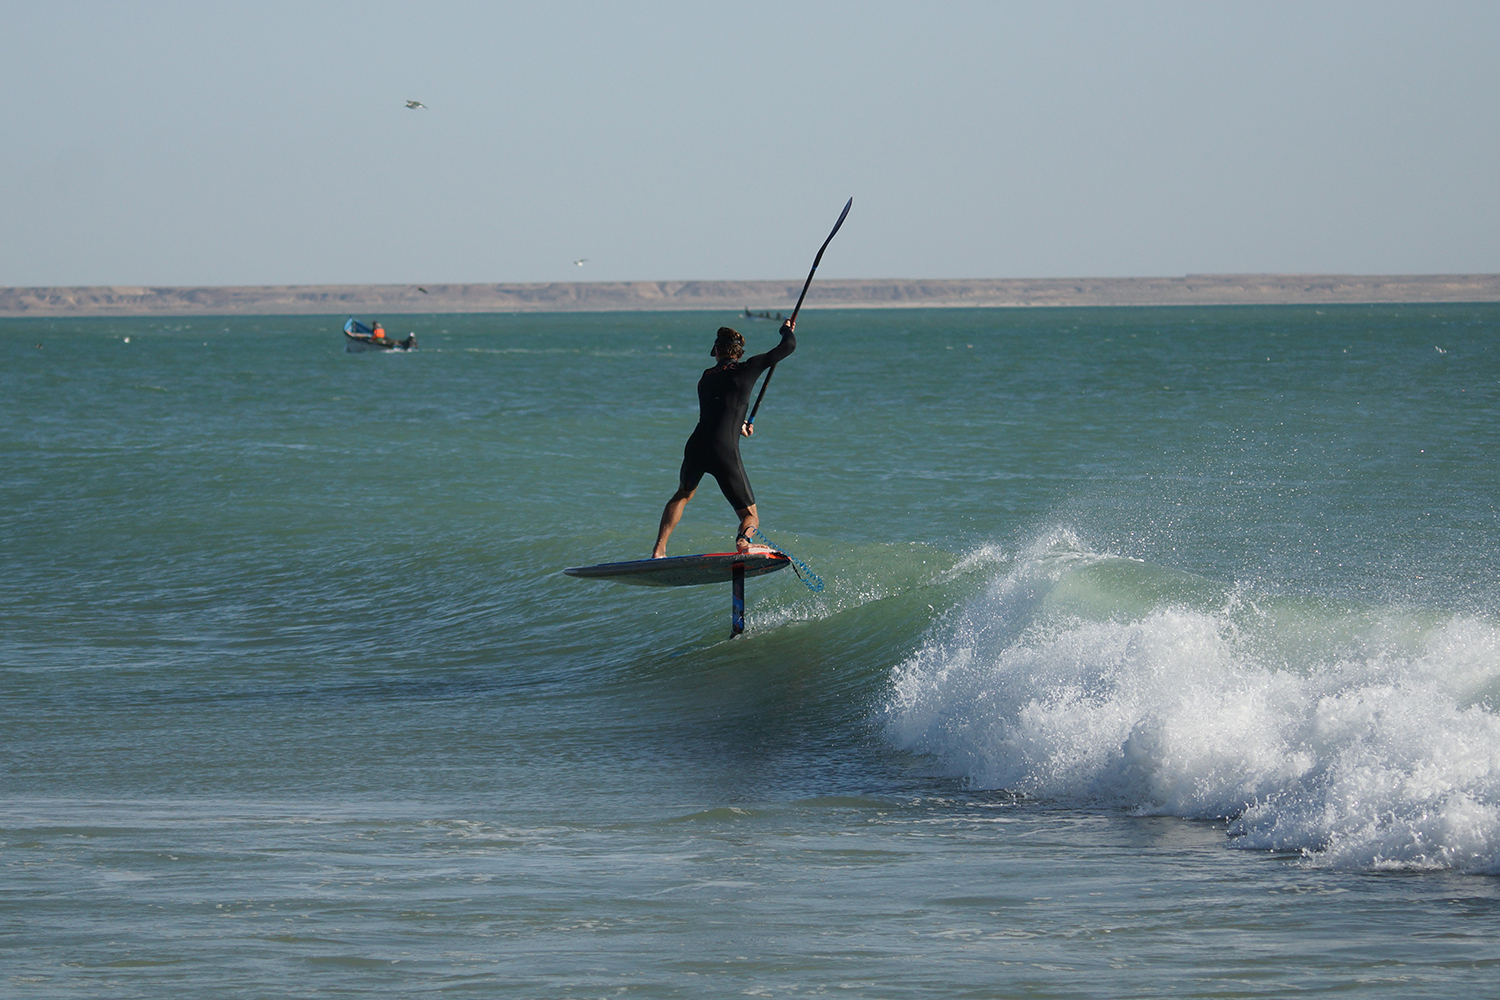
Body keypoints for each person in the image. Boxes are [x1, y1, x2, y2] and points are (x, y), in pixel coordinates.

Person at [652, 319, 795, 558]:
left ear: (716, 351)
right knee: (750, 516)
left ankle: (659, 549)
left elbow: (718, 409)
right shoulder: (747, 368)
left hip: (696, 445)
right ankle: (743, 541)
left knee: (682, 495)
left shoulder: (705, 377)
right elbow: (788, 347)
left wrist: (739, 425)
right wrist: (786, 330)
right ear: (739, 353)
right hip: (723, 448)